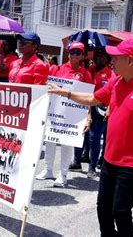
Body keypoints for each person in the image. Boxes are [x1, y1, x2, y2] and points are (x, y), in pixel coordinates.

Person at [48, 38, 133, 235]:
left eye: (116, 57)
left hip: (132, 164)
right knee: (103, 210)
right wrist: (64, 92)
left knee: (120, 211)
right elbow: (93, 98)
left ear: (130, 60)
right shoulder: (116, 81)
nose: (112, 61)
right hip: (109, 160)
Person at [36, 41, 93, 187]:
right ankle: (48, 169)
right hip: (55, 113)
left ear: (82, 55)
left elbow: (89, 97)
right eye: (72, 52)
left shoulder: (86, 74)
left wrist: (88, 116)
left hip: (73, 116)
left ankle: (63, 175)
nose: (74, 55)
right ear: (68, 53)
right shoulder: (58, 69)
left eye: (78, 53)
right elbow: (48, 88)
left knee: (68, 144)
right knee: (50, 140)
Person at [70, 49, 114, 179]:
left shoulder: (111, 74)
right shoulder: (88, 71)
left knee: (94, 138)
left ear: (107, 59)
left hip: (100, 108)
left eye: (101, 56)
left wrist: (110, 107)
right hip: (85, 105)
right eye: (97, 56)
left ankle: (92, 167)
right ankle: (76, 162)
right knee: (80, 134)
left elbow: (114, 93)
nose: (98, 58)